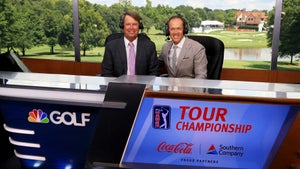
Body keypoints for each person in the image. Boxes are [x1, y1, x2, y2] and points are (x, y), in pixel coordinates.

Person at [101, 11, 159, 77]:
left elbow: (154, 72)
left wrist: (147, 86)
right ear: (123, 26)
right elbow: (107, 73)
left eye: (134, 24)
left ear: (139, 26)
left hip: (142, 86)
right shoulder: (111, 46)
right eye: (128, 24)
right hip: (118, 85)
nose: (131, 27)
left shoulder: (149, 46)